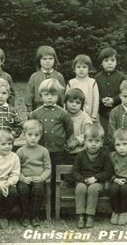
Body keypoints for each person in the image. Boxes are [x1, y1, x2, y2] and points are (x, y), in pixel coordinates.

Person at [29, 78, 74, 217]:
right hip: (40, 153)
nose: (49, 98)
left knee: (55, 180)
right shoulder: (35, 113)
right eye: (46, 94)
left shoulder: (63, 114)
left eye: (53, 95)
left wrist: (65, 144)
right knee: (41, 178)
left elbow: (69, 132)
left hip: (57, 152)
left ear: (58, 96)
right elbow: (31, 130)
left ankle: (55, 207)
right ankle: (40, 205)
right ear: (41, 95)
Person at [72, 124, 113, 229]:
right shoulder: (80, 155)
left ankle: (90, 215)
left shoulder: (105, 155)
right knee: (80, 188)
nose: (93, 144)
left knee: (93, 188)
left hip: (98, 182)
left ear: (102, 142)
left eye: (97, 141)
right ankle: (80, 215)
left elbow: (108, 172)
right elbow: (75, 171)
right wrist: (83, 179)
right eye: (90, 141)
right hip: (82, 180)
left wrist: (96, 178)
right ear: (85, 141)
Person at [16, 120, 52, 227]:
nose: (33, 138)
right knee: (23, 189)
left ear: (40, 136)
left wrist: (41, 178)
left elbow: (48, 168)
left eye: (36, 135)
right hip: (24, 179)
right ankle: (25, 216)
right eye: (30, 135)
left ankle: (34, 215)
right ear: (24, 135)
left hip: (38, 179)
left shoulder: (44, 151)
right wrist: (22, 178)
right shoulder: (20, 151)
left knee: (38, 188)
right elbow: (15, 169)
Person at [95, 47, 125, 134]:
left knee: (117, 133)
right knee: (104, 133)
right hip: (103, 112)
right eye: (106, 60)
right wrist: (101, 99)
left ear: (116, 62)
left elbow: (124, 92)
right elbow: (95, 92)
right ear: (101, 63)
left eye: (112, 60)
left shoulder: (121, 77)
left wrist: (114, 100)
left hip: (118, 111)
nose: (109, 63)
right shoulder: (98, 77)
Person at [25, 45, 65, 111]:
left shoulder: (59, 76)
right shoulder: (34, 76)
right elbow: (30, 94)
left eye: (50, 58)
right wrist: (29, 109)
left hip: (55, 109)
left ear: (55, 60)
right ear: (39, 60)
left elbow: (62, 95)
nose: (47, 61)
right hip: (38, 108)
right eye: (44, 59)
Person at [66, 54, 99, 122]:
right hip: (73, 117)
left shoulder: (92, 83)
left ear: (89, 69)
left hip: (89, 116)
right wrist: (66, 115)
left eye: (84, 67)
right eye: (78, 67)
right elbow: (65, 100)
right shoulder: (71, 83)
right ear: (74, 69)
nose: (81, 69)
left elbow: (96, 100)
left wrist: (94, 116)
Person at [64, 88, 92, 161]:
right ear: (65, 102)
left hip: (81, 151)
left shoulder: (85, 117)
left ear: (82, 104)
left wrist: (77, 141)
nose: (74, 105)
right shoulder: (63, 115)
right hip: (64, 150)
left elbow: (89, 133)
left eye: (77, 102)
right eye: (71, 101)